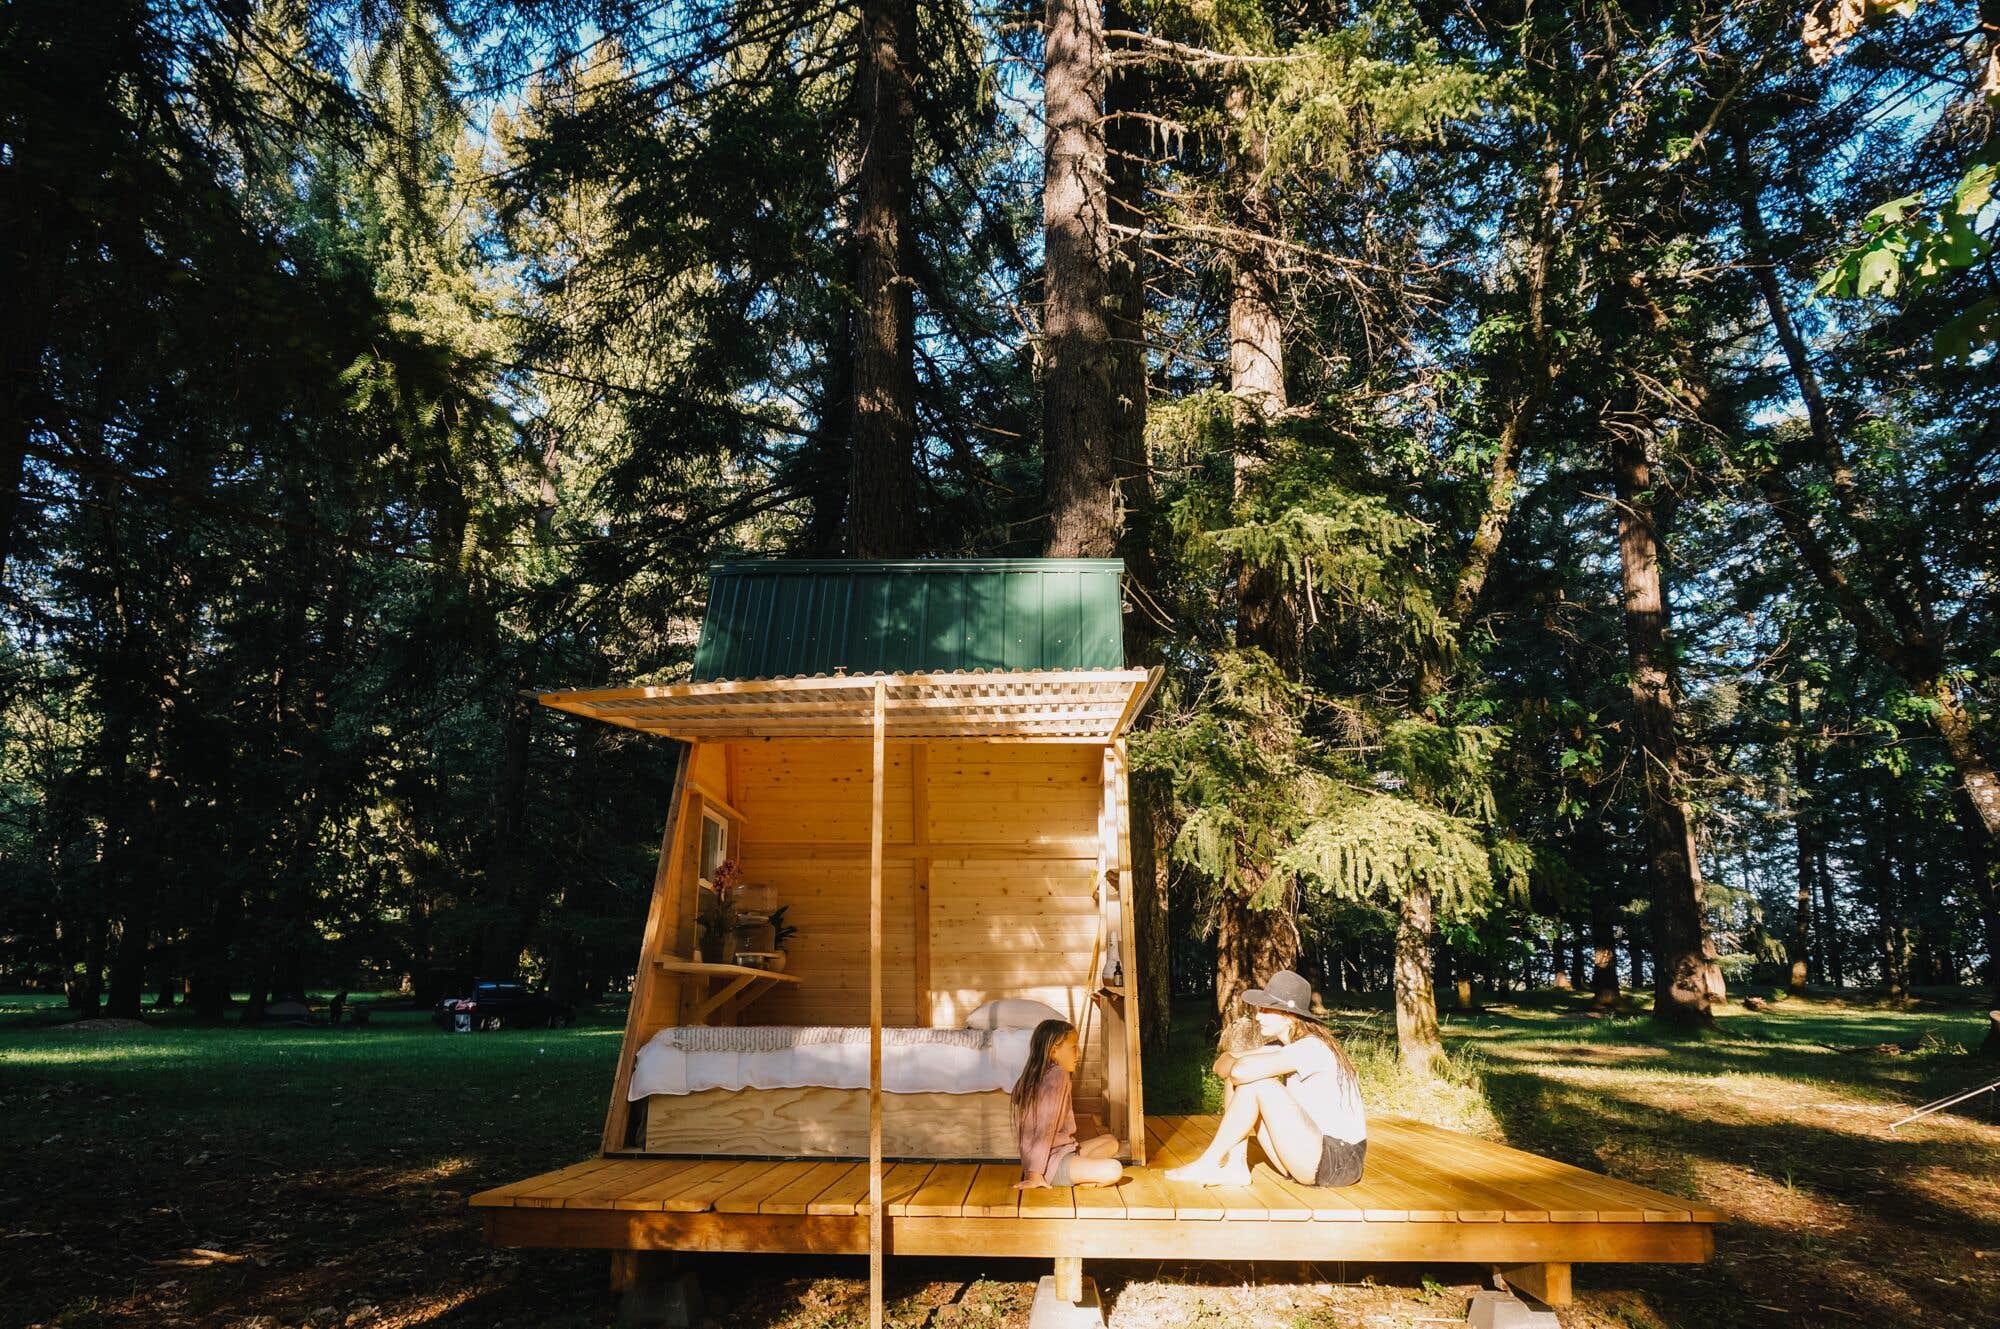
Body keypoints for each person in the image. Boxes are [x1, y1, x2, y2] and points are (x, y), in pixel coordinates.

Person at [1164, 970, 1366, 1187]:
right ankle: (1235, 1167)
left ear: (1290, 1016)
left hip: (1338, 1161)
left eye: (1267, 1009)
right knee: (1245, 1078)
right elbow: (1222, 1062)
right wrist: (1237, 1070)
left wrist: (1238, 1070)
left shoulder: (1312, 1047)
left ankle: (1208, 1162)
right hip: (1313, 1155)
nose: (1258, 1016)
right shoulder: (1282, 1047)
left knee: (1259, 1084)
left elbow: (1239, 1070)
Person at [1011, 1018, 1124, 1189]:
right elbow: (1044, 1128)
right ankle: (1082, 1176)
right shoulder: (1057, 1075)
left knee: (1111, 1141)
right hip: (1050, 1166)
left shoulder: (1040, 1075)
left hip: (1061, 1152)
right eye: (1073, 1047)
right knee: (1114, 1169)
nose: (1078, 1054)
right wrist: (1035, 1175)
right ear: (1053, 1051)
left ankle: (1081, 1171)